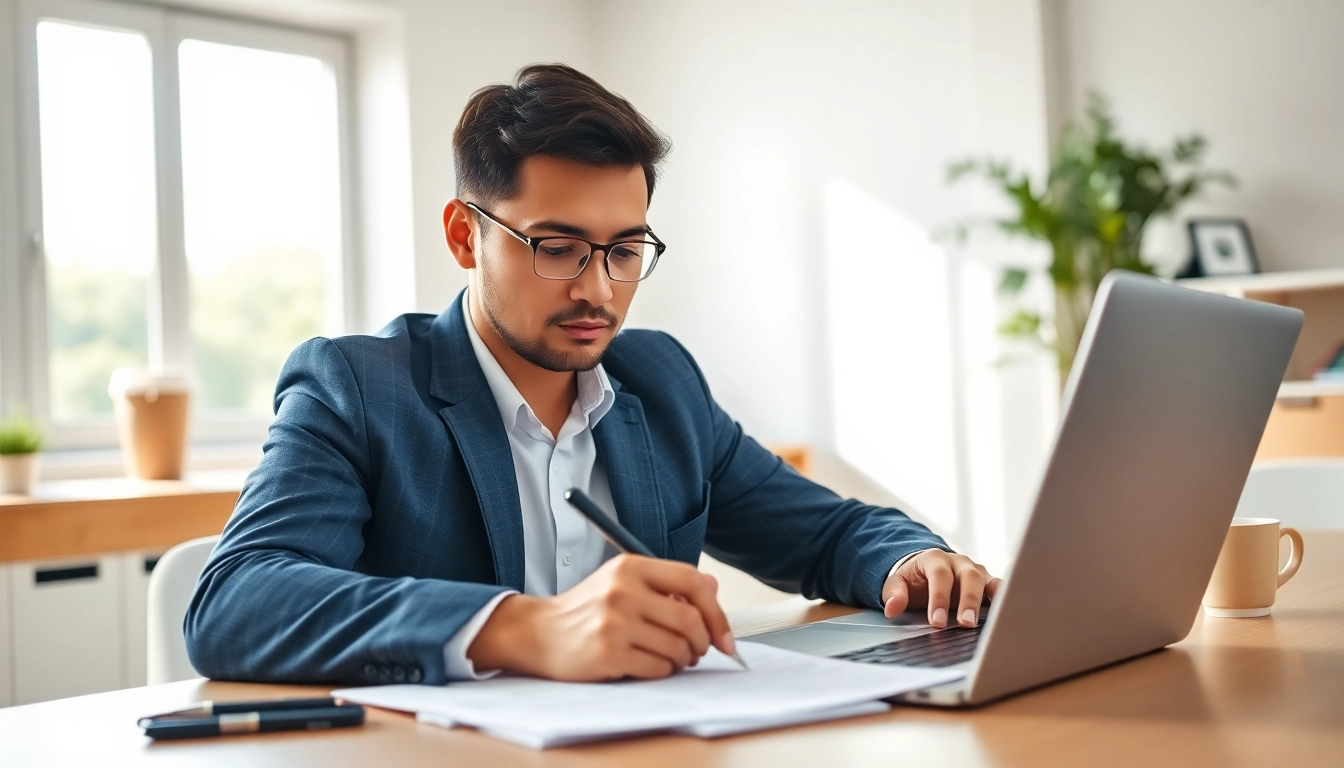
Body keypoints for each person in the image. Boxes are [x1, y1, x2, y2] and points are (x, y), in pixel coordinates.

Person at [185, 63, 1000, 686]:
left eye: (625, 250)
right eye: (558, 247)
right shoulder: (358, 388)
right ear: (465, 236)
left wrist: (911, 561)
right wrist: (523, 628)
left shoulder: (660, 381)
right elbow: (235, 600)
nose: (599, 290)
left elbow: (824, 534)